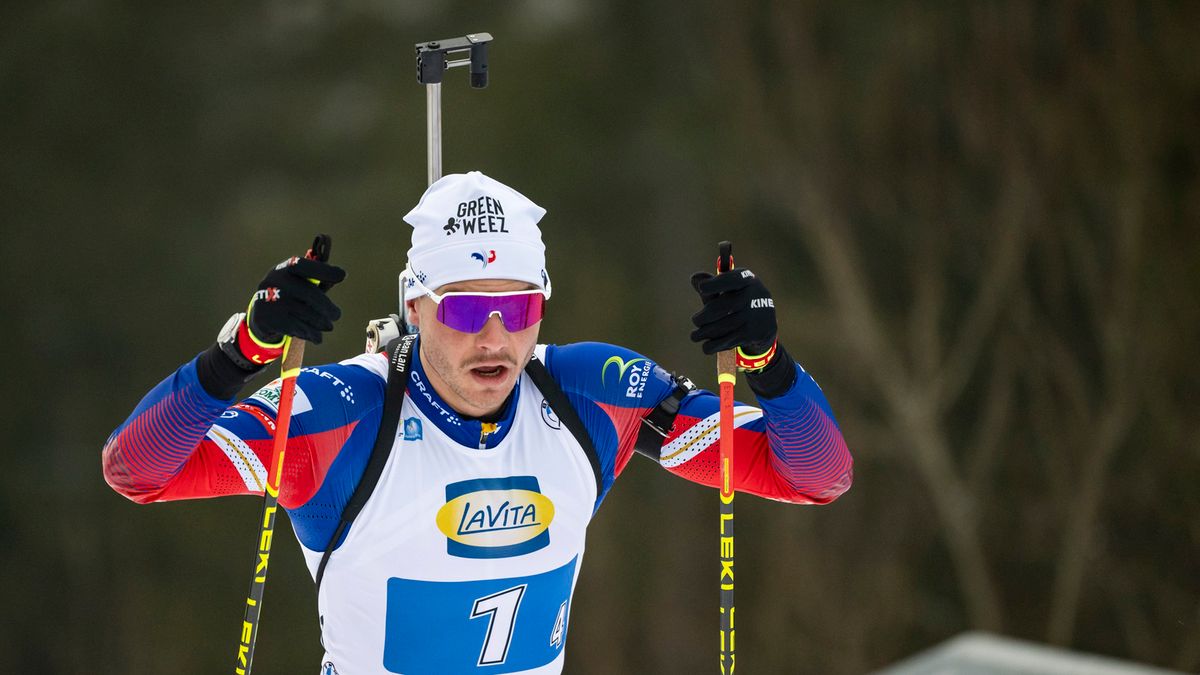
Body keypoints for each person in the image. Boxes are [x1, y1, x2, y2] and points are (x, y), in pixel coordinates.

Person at [103, 171, 853, 675]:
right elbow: (137, 471)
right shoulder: (341, 415)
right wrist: (242, 351)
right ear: (416, 306)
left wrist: (769, 362)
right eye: (465, 307)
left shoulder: (592, 397)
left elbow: (817, 477)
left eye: (519, 305)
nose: (494, 336)